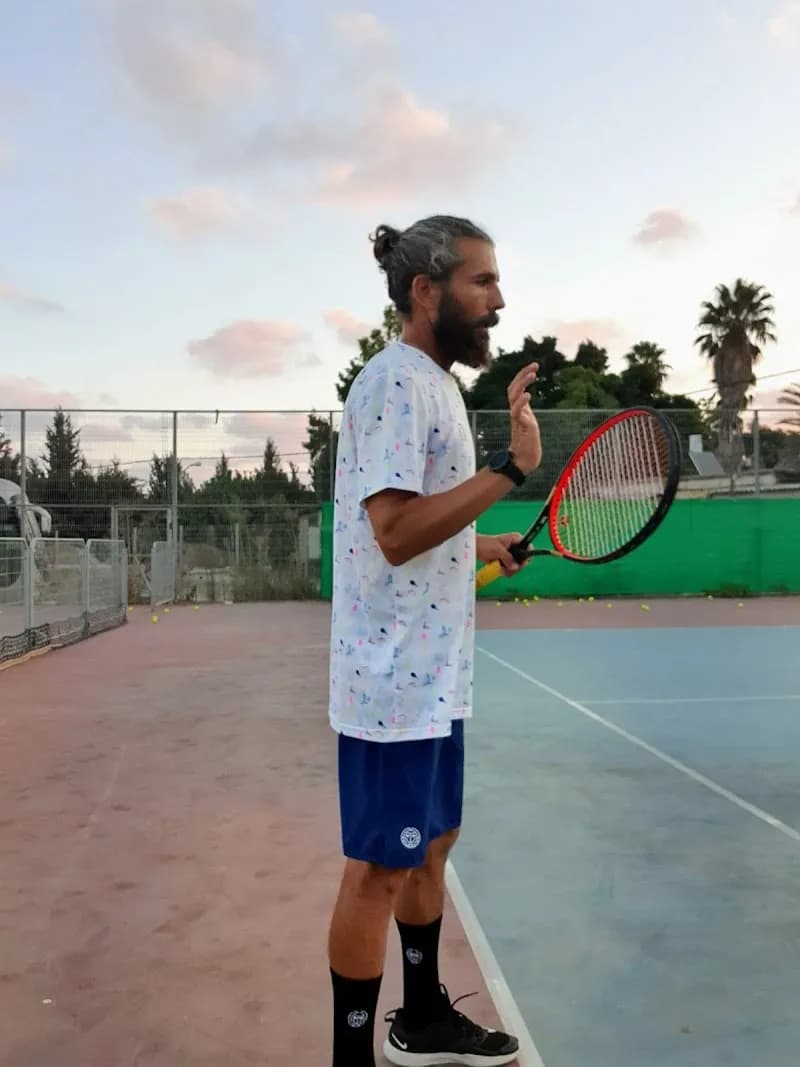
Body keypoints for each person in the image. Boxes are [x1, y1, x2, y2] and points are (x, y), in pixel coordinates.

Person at [326, 215, 542, 1067]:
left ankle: (421, 1017)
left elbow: (428, 523)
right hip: (391, 685)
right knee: (378, 869)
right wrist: (510, 471)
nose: (498, 299)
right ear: (427, 291)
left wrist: (483, 541)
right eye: (481, 282)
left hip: (434, 676)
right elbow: (392, 529)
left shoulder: (438, 386)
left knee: (432, 846)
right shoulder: (393, 384)